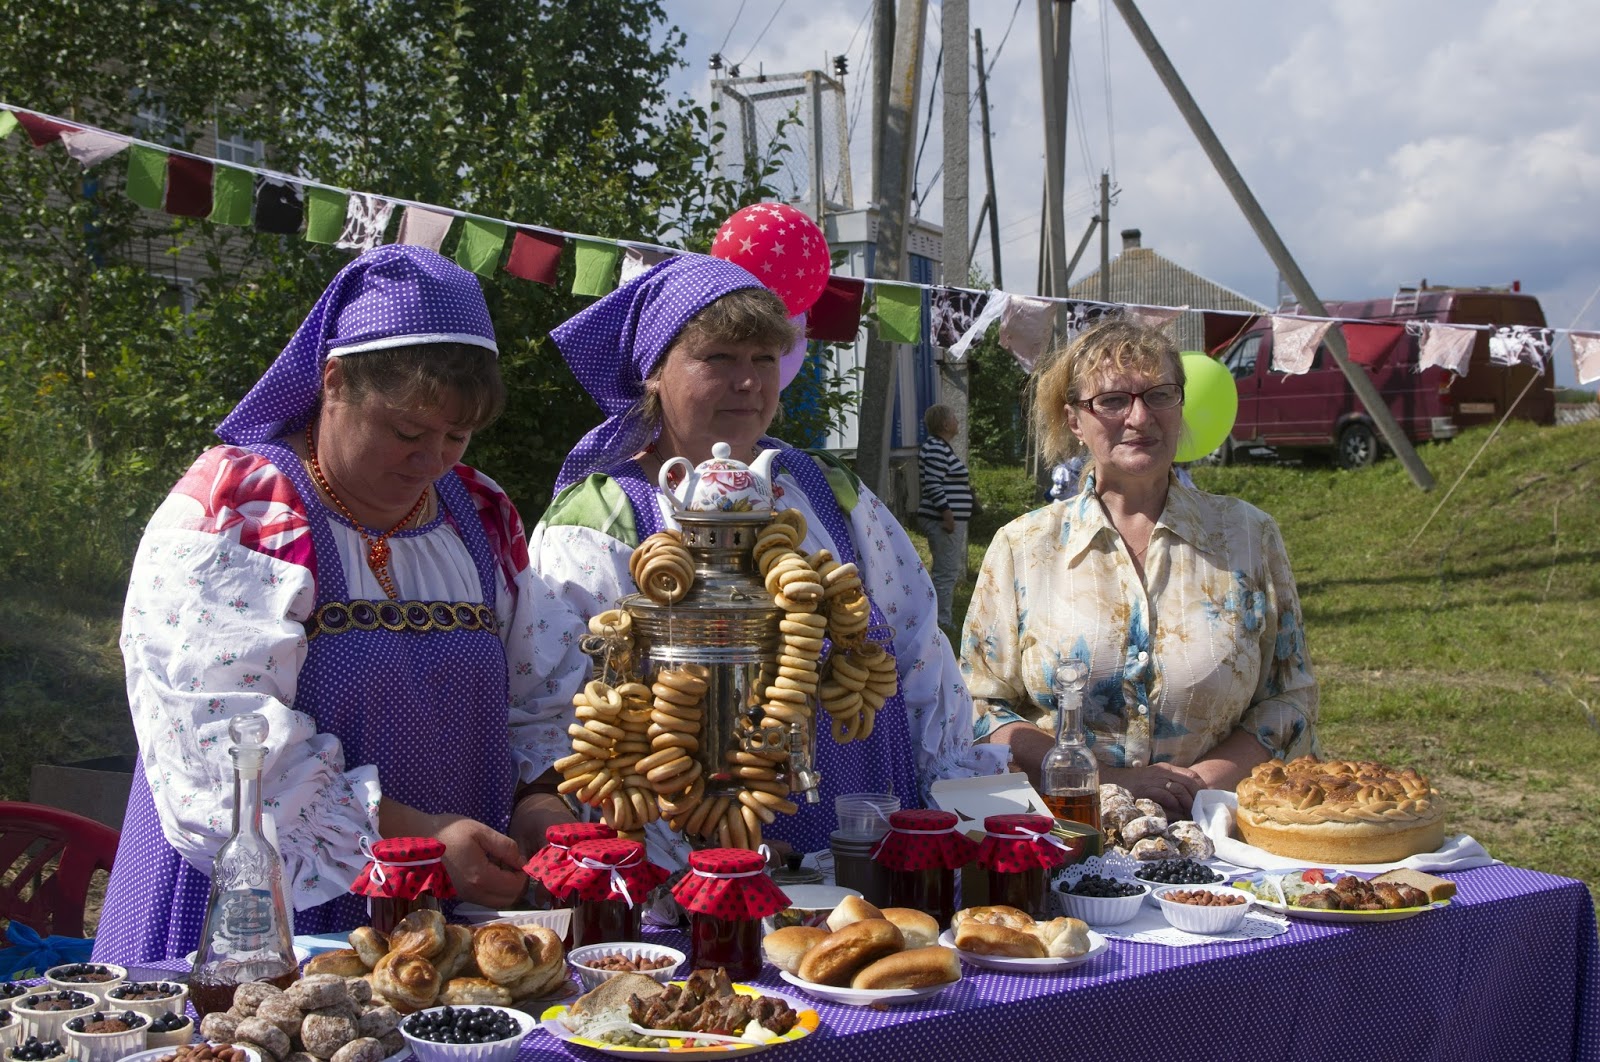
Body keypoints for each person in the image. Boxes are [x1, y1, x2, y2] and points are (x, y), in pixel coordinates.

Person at [94, 246, 569, 963]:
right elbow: (223, 755)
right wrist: (414, 836)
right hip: (261, 915)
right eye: (408, 431)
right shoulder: (242, 512)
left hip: (441, 917)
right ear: (334, 381)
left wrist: (537, 799)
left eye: (457, 436)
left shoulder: (480, 514)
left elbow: (531, 696)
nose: (432, 459)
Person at [528, 255, 1006, 868]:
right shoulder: (601, 519)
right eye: (719, 359)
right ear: (653, 373)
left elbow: (917, 651)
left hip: (869, 845)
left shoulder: (826, 488)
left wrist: (942, 807)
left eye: (763, 359)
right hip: (691, 873)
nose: (749, 382)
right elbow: (564, 723)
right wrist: (678, 859)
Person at [962, 320, 1318, 819]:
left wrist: (1195, 786)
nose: (1139, 416)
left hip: (1219, 831)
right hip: (1062, 833)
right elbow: (980, 706)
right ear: (1073, 420)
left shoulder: (1248, 536)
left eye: (1159, 395)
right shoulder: (1023, 548)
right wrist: (1105, 781)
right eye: (1111, 401)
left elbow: (1290, 698)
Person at [916, 404, 974, 630]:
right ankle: (940, 623)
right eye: (954, 418)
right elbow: (933, 484)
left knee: (945, 571)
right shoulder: (937, 449)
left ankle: (936, 618)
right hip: (944, 522)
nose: (957, 421)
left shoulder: (939, 447)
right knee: (946, 572)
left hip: (946, 520)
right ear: (945, 424)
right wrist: (947, 515)